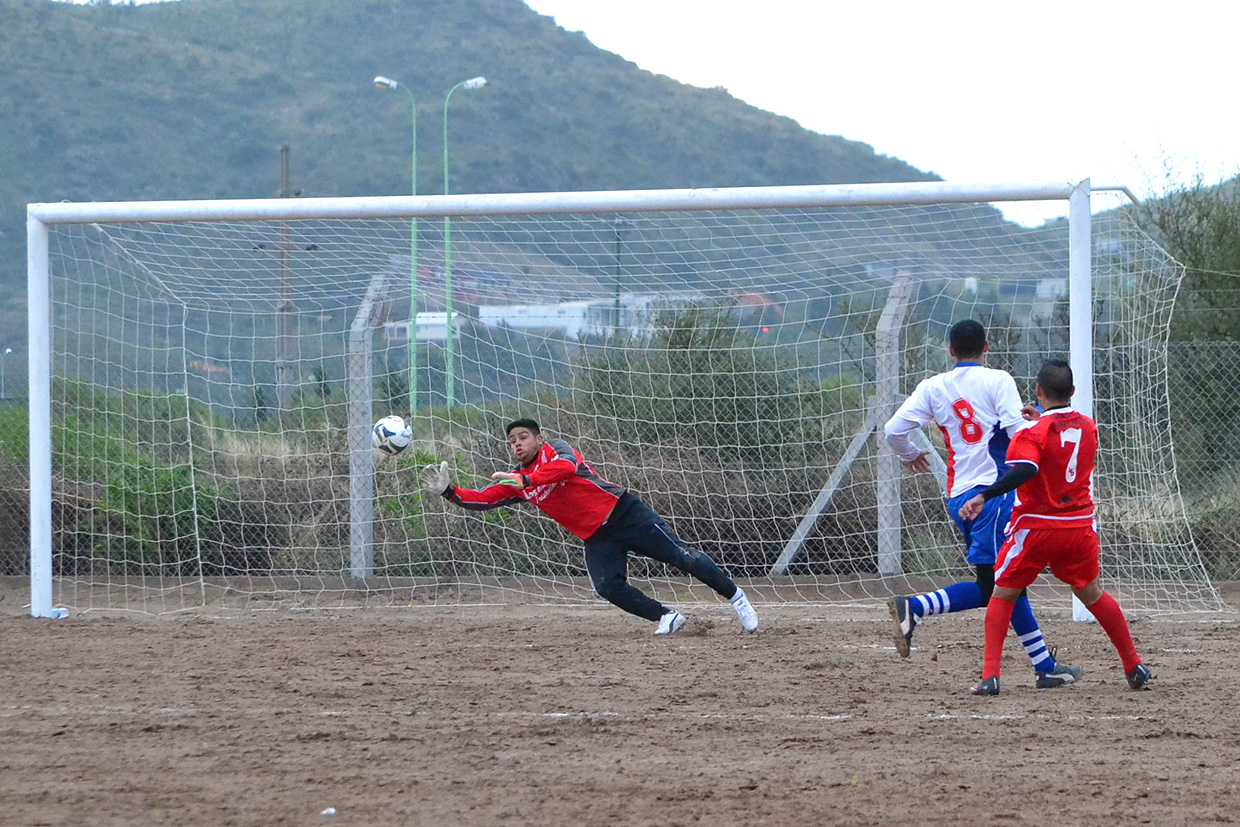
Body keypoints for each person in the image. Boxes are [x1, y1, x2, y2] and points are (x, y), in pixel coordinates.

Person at [420, 418, 759, 635]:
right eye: (511, 441)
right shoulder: (517, 480)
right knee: (607, 587)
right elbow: (484, 499)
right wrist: (450, 492)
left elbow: (565, 470)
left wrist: (525, 479)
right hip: (597, 536)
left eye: (523, 437)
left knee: (683, 558)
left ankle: (736, 596)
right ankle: (667, 617)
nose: (517, 443)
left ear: (539, 439)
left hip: (625, 513)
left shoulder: (556, 451)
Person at [883, 319, 1081, 689]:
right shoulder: (998, 380)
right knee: (996, 586)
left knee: (1010, 581)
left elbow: (893, 430)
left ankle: (1045, 666)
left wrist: (910, 454)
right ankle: (915, 608)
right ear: (987, 348)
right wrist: (1038, 425)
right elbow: (1015, 434)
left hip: (959, 495)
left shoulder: (932, 387)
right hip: (992, 496)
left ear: (951, 351)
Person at [959, 359, 1153, 695]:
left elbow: (1027, 469)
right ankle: (1133, 665)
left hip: (1037, 527)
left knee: (1002, 593)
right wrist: (1043, 419)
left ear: (1038, 391)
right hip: (1078, 527)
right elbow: (1061, 438)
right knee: (1092, 593)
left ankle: (990, 676)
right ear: (1073, 392)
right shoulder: (1089, 426)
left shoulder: (1029, 432)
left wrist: (985, 494)